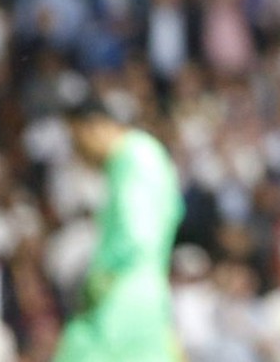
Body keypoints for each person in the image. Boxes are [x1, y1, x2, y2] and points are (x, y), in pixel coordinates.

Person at [53, 93, 185, 362]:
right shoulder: (140, 157)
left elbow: (137, 233)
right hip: (147, 293)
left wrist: (99, 279)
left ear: (94, 127)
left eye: (76, 139)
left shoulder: (134, 158)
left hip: (124, 293)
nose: (76, 150)